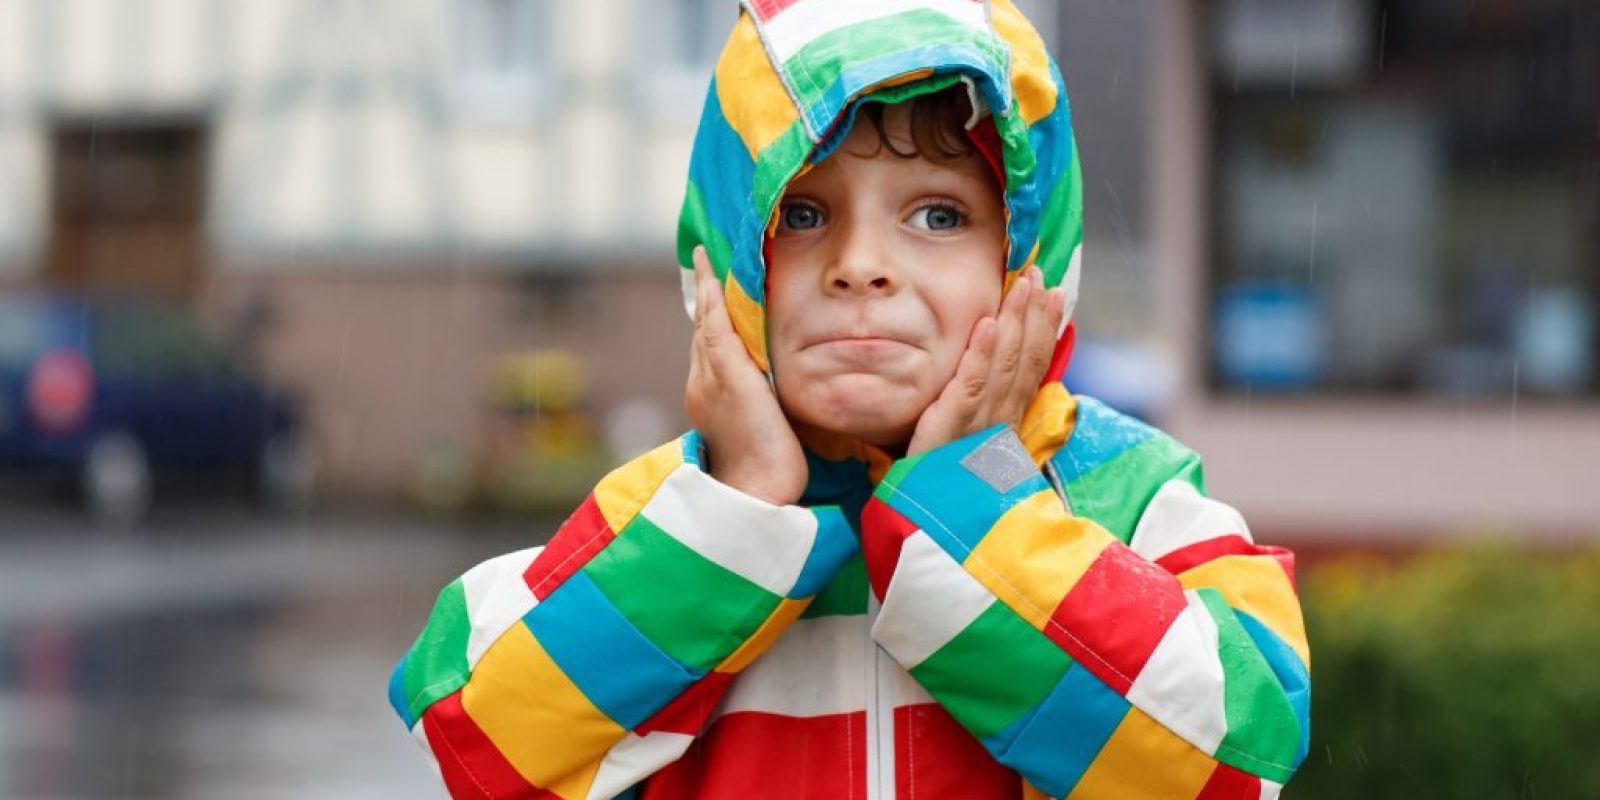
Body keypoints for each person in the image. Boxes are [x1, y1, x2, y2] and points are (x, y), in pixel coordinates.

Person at [389, 2, 1310, 798]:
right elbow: (474, 743)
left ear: (1026, 259)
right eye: (802, 214)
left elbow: (1238, 760)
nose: (861, 265)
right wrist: (739, 510)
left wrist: (974, 506)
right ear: (732, 261)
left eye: (937, 215)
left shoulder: (1129, 494)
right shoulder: (675, 515)